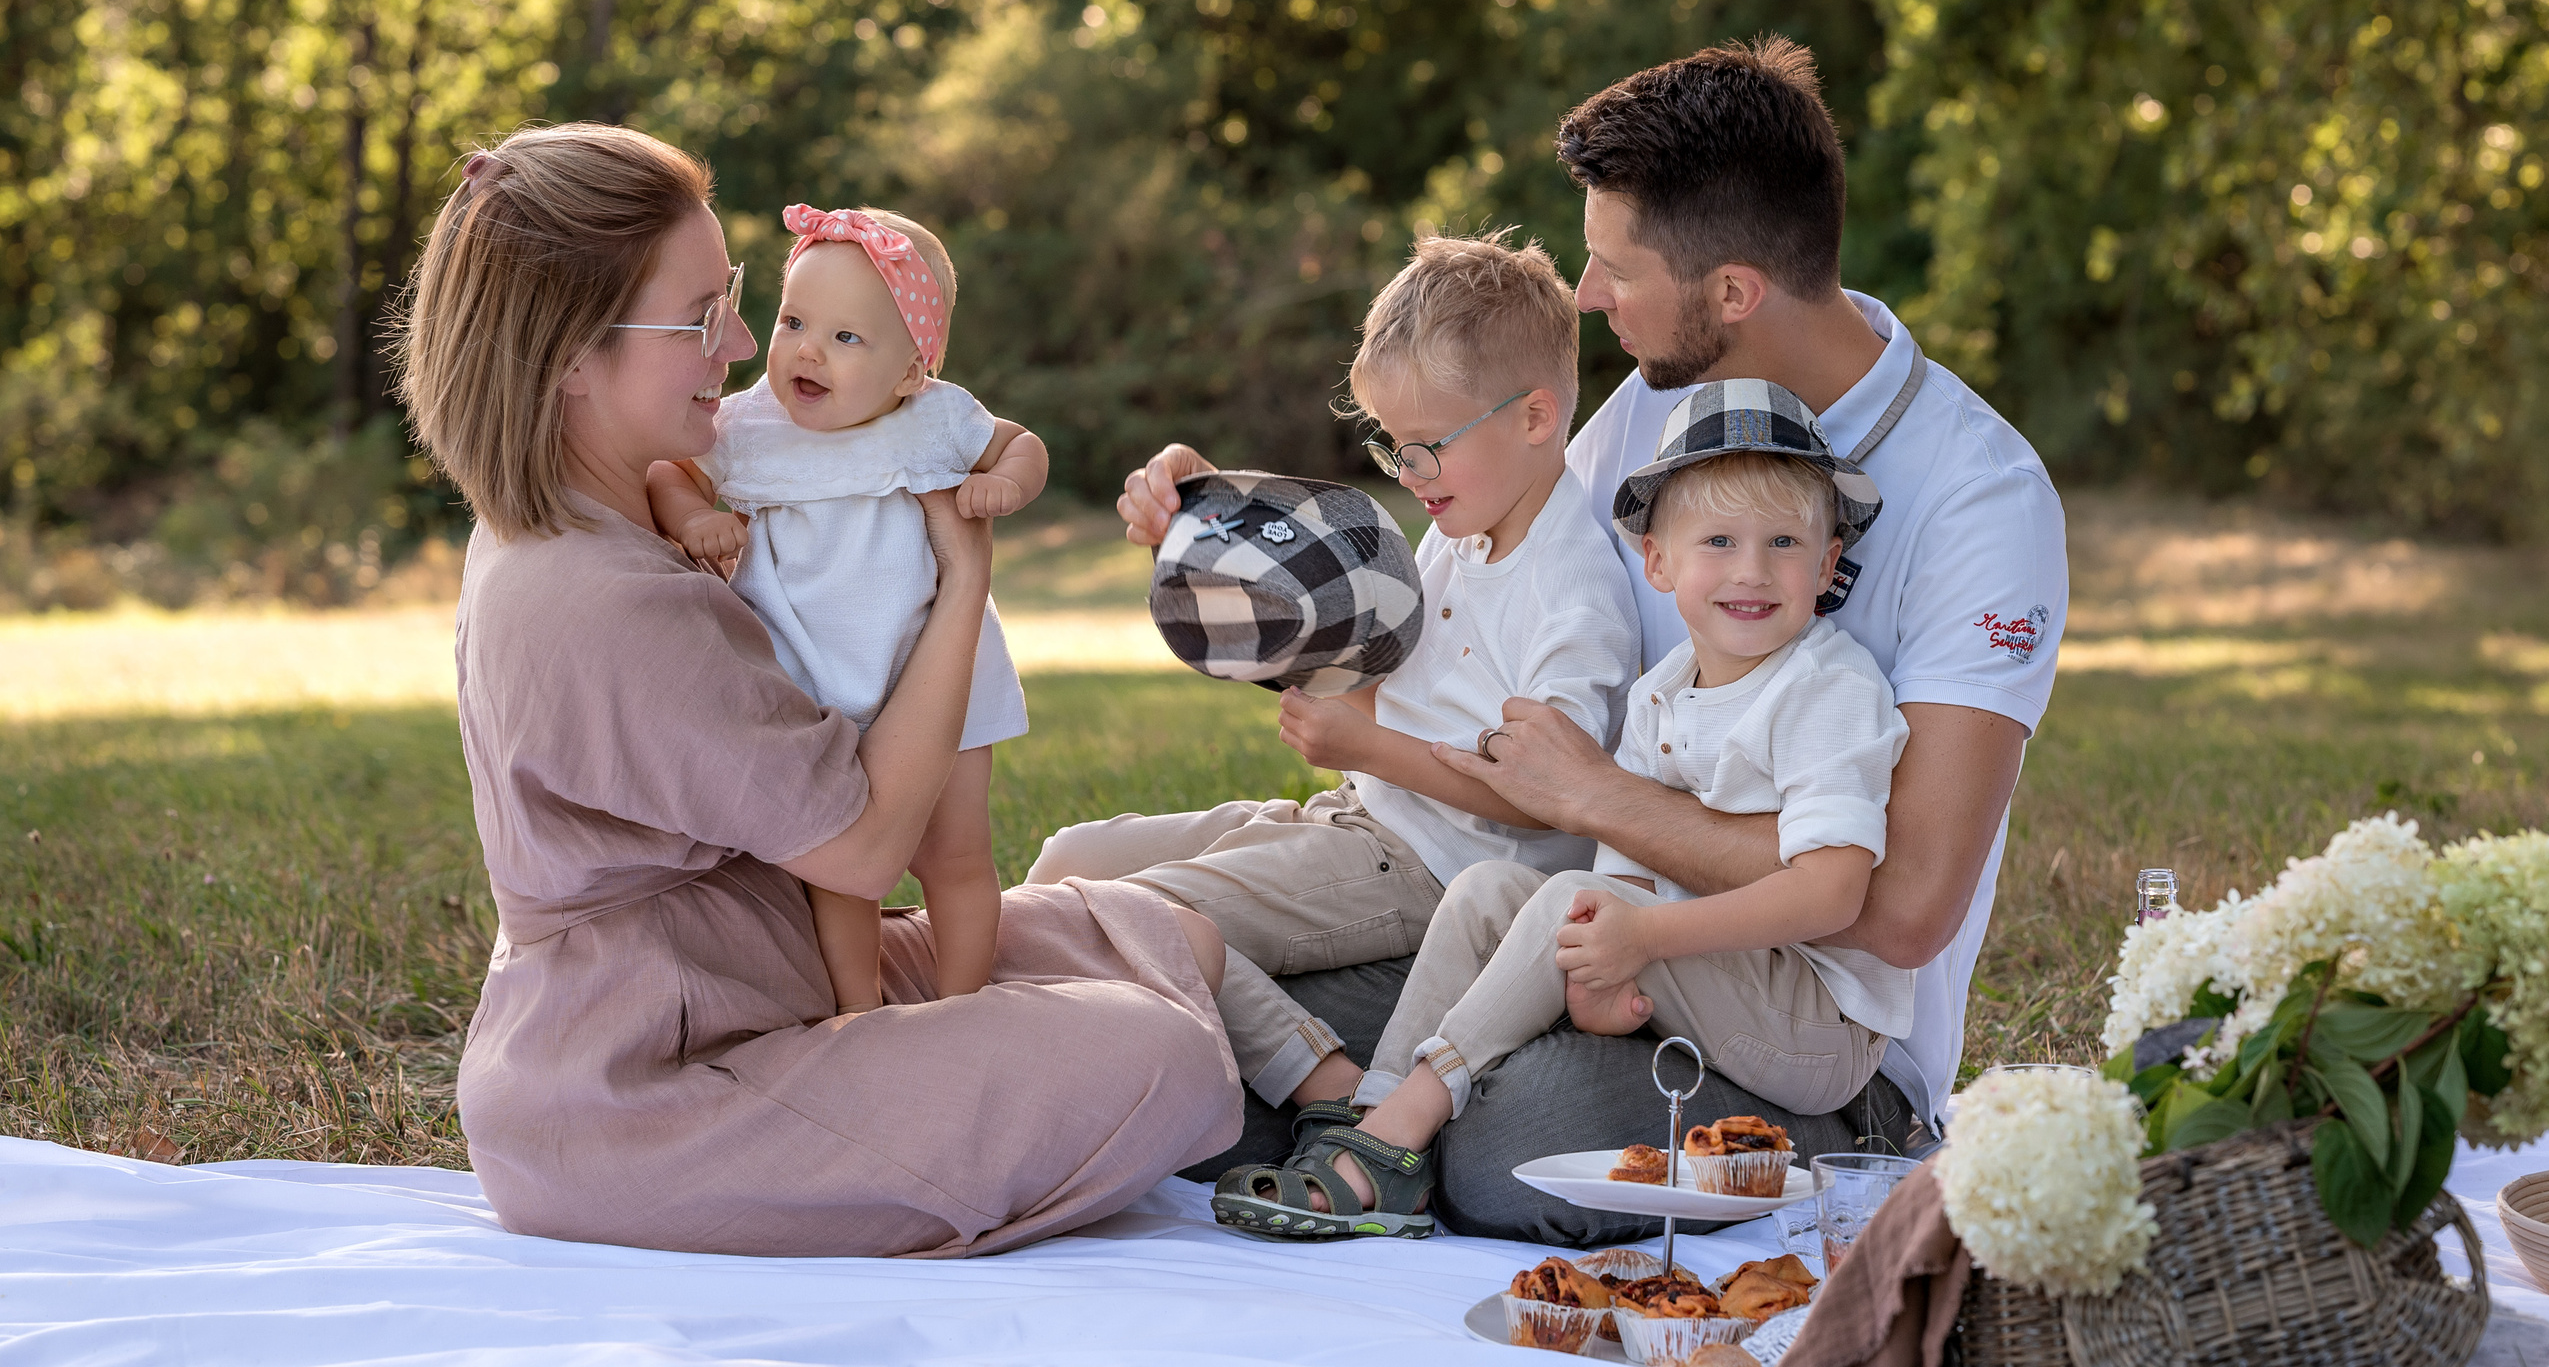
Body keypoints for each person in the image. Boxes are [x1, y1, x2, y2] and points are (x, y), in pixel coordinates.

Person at [1118, 37, 2067, 1155]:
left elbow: (1903, 909)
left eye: (1616, 266)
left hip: (1788, 1023)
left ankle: (1368, 1123)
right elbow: (1460, 593)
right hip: (1555, 935)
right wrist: (1225, 531)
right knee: (1145, 977)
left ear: (1732, 291)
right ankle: (1343, 1111)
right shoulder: (1651, 418)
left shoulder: (1977, 501)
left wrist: (1597, 799)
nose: (1586, 293)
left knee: (1512, 1140)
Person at [401, 123, 1239, 1258]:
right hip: (653, 1089)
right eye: (700, 317)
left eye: (736, 296)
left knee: (1162, 931)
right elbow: (864, 846)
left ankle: (1012, 1071)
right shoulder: (598, 594)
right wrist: (962, 581)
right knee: (1165, 1055)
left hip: (756, 972)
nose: (744, 342)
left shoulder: (607, 520)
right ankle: (1083, 1088)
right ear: (567, 354)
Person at [1029, 232, 1641, 1235]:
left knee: (1141, 917)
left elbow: (1553, 797)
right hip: (1357, 816)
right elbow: (1336, 627)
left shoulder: (1571, 592)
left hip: (1434, 865)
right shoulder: (1462, 521)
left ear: (1535, 416)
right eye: (1392, 444)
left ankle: (1330, 1084)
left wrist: (1373, 752)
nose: (1409, 470)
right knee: (1067, 863)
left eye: (1426, 444)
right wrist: (1209, 520)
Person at [1215, 386, 1910, 1233]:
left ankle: (1396, 1140)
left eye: (1784, 543)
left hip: (1812, 1021)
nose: (1751, 571)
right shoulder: (1662, 693)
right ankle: (1374, 1114)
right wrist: (1601, 972)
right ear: (1657, 562)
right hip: (1706, 973)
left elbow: (1833, 895)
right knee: (1486, 889)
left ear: (1830, 561)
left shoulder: (1827, 689)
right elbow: (1622, 859)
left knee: (1563, 903)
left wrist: (1642, 938)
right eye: (1718, 541)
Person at [646, 202, 1048, 1014]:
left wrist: (1005, 483)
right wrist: (695, 519)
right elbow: (670, 475)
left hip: (938, 682)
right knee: (838, 875)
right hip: (813, 688)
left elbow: (1021, 444)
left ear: (911, 371)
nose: (807, 351)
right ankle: (858, 1009)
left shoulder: (932, 418)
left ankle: (962, 1002)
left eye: (847, 338)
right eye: (795, 320)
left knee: (957, 855)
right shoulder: (748, 424)